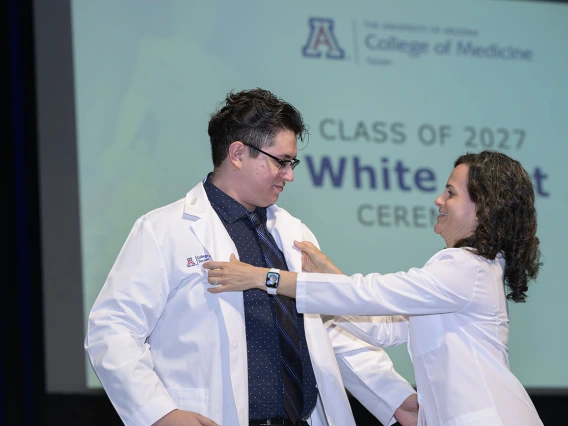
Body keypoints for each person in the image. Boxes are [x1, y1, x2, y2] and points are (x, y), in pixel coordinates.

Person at [85, 88, 418, 426]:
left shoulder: (293, 233)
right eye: (281, 161)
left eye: (292, 163)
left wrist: (394, 396)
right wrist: (160, 414)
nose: (289, 175)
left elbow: (322, 331)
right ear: (238, 153)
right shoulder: (163, 230)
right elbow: (112, 330)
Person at [204, 150, 544, 426]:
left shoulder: (465, 268)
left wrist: (264, 277)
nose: (439, 200)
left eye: (452, 193)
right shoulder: (469, 272)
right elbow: (380, 327)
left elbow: (371, 293)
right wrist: (330, 276)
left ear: (484, 209)